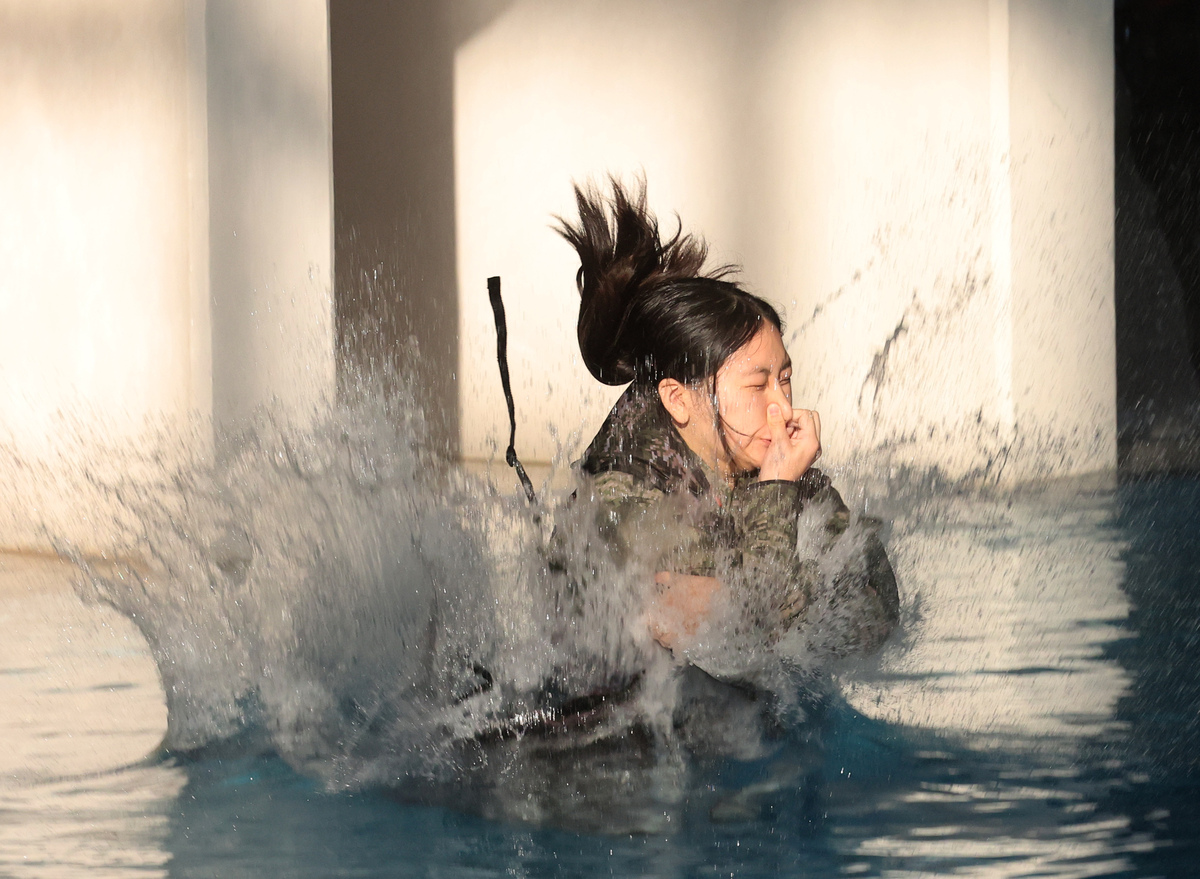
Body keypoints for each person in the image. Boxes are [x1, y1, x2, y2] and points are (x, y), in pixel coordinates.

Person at [554, 177, 899, 676]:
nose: (782, 408)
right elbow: (743, 625)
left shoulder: (759, 456)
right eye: (757, 386)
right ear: (678, 399)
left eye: (785, 380)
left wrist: (797, 596)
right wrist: (777, 497)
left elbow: (879, 600)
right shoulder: (623, 495)